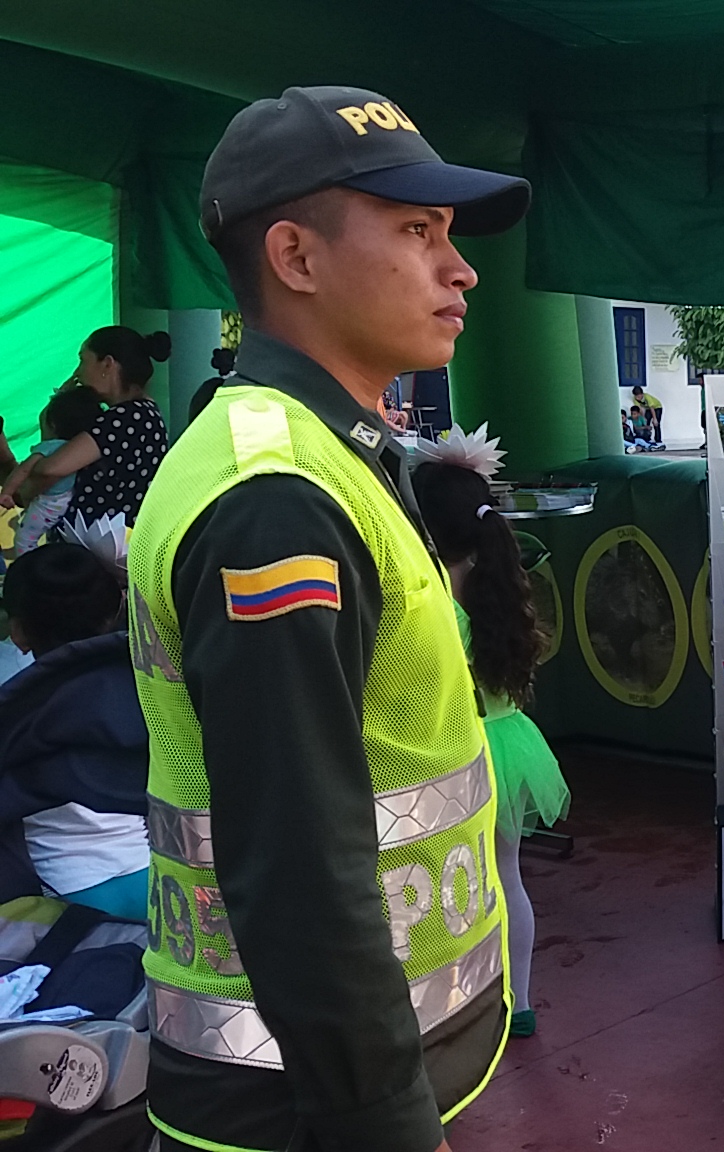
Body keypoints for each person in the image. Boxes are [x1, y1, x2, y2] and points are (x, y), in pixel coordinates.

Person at [126, 85, 530, 1152]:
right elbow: (296, 854)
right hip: (298, 1105)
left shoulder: (333, 450)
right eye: (414, 231)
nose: (460, 268)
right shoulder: (276, 497)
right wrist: (381, 1123)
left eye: (449, 234)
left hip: (338, 1071)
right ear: (297, 259)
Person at [412, 441, 571, 1042]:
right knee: (509, 878)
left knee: (444, 887)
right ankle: (520, 1001)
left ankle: (456, 1004)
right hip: (511, 745)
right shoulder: (501, 592)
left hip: (457, 753)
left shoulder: (435, 608)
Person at [0, 542, 149, 918]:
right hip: (163, 870)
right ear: (112, 610)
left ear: (18, 630)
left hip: (65, 892)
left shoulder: (14, 696)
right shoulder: (153, 682)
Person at [13, 327, 172, 527]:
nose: (78, 373)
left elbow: (50, 469)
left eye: (82, 360)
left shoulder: (125, 417)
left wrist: (54, 411)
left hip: (96, 546)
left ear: (107, 364)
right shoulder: (141, 413)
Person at [1, 386, 104, 553]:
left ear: (53, 425)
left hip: (48, 506)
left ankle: (28, 568)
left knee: (24, 540)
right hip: (70, 505)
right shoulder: (84, 448)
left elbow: (23, 470)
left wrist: (7, 492)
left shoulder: (49, 448)